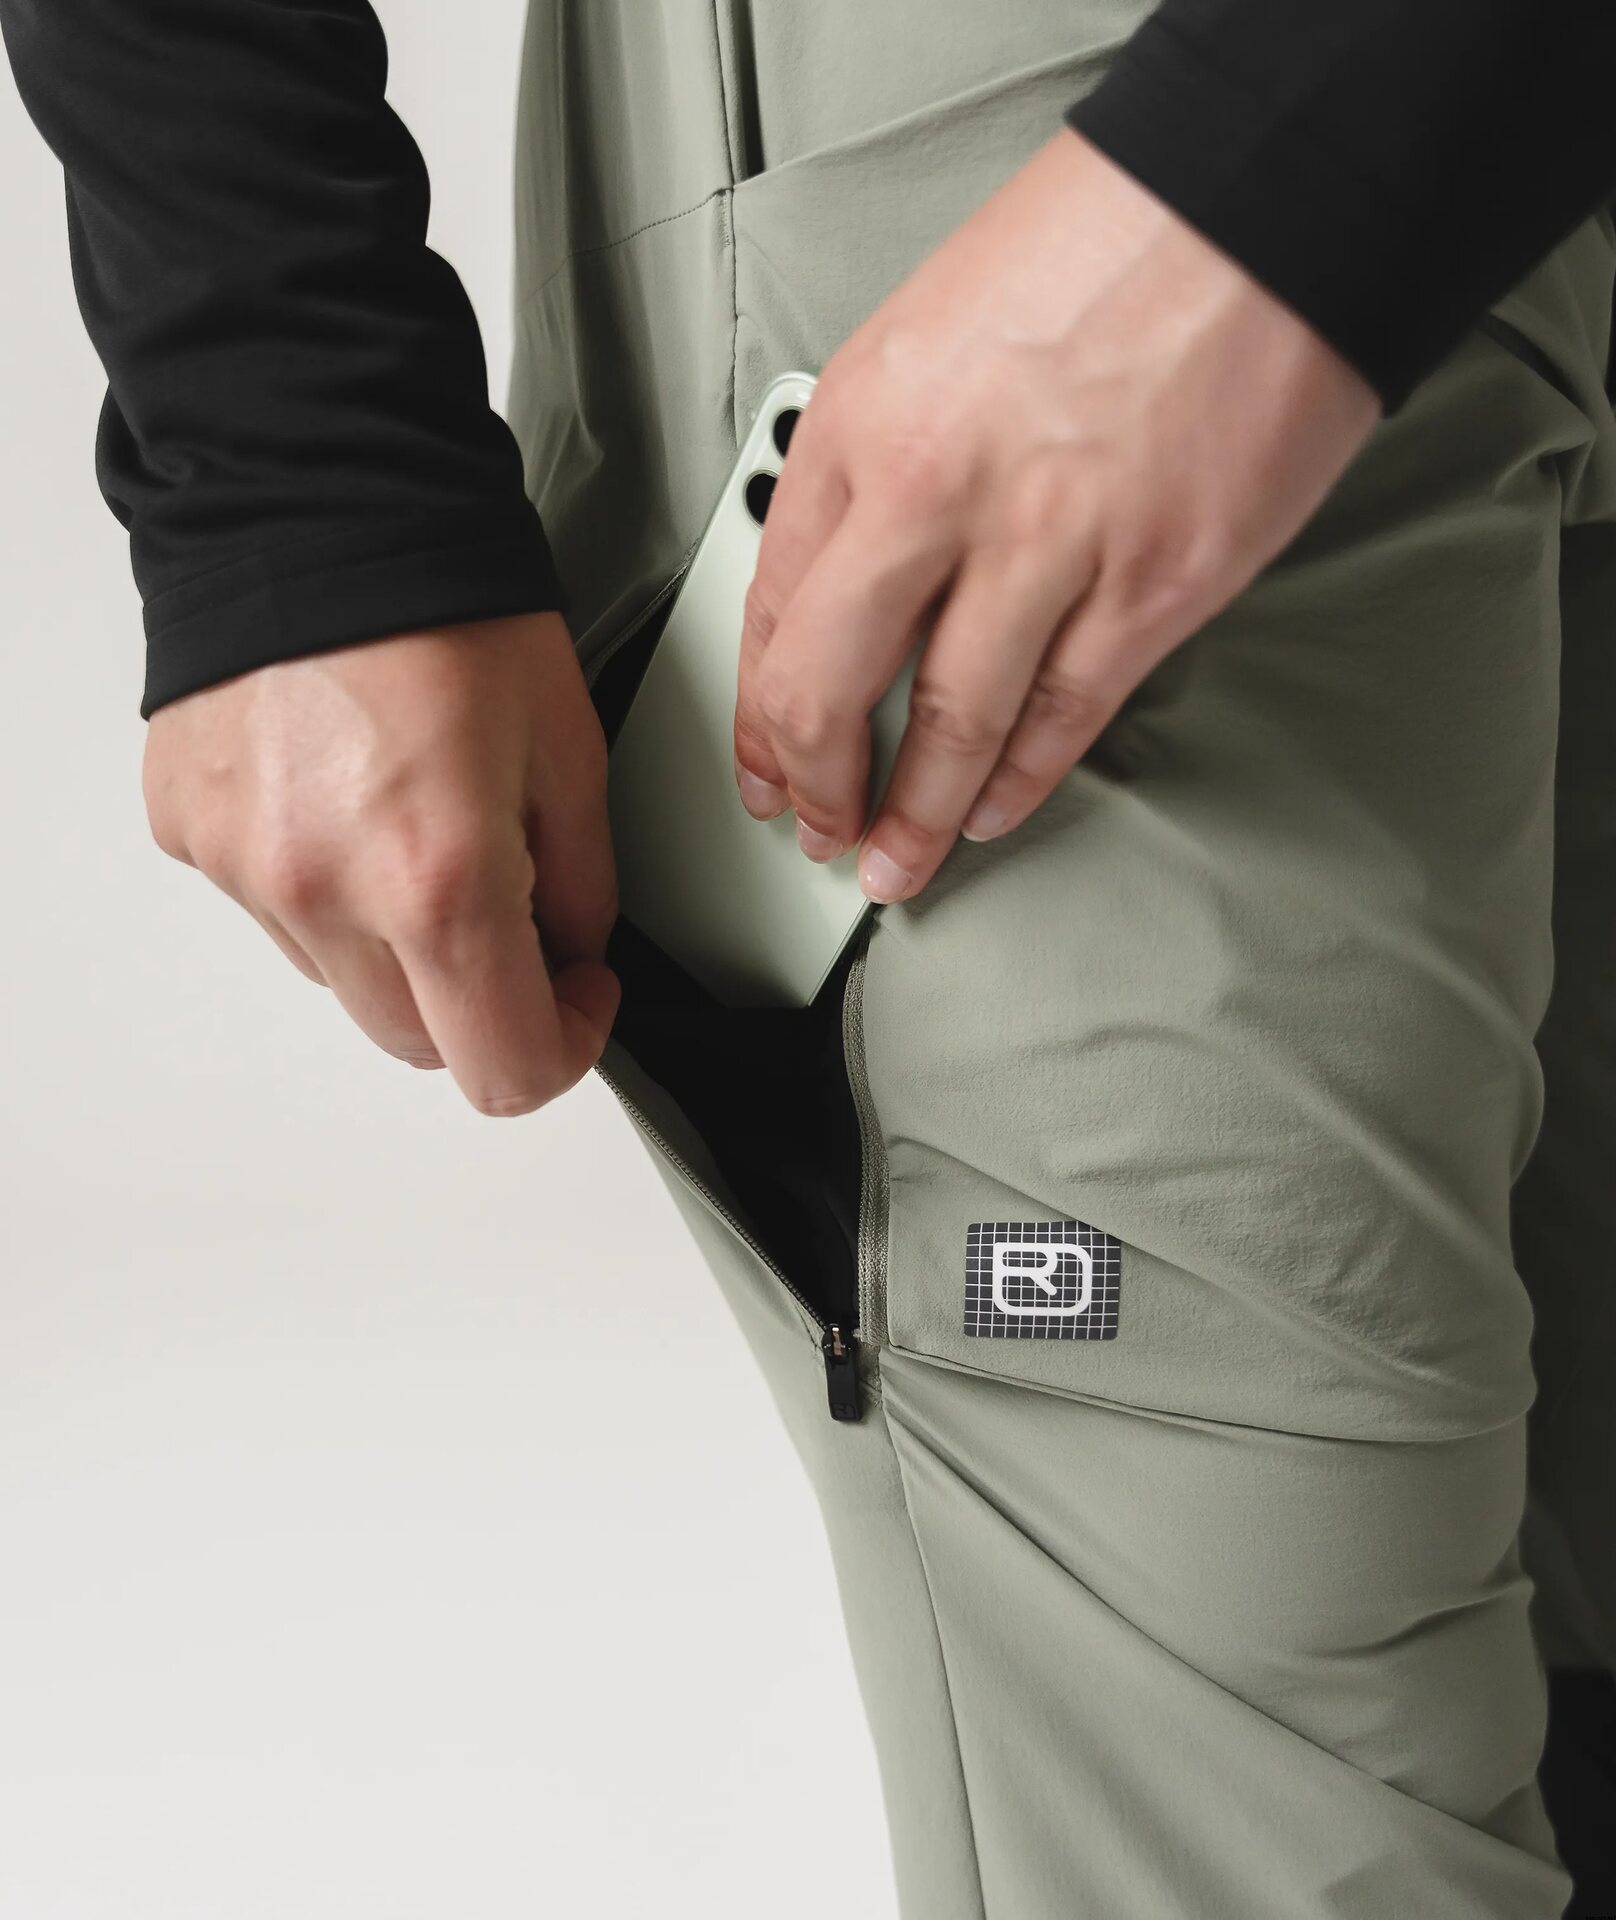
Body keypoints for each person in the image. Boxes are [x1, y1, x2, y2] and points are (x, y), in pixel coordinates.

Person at [3, 0, 1613, 1911]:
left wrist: (1289, 158)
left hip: (1215, 162)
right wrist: (285, 443)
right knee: (1309, 1775)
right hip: (1073, 165)